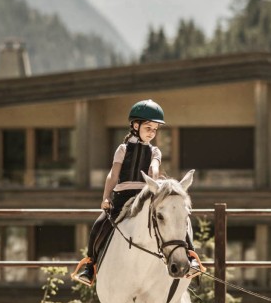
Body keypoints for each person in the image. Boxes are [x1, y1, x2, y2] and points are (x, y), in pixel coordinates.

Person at [72, 99, 199, 285]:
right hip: (122, 198)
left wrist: (154, 180)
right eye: (148, 128)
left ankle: (191, 257)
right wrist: (106, 197)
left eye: (155, 129)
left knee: (175, 220)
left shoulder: (155, 151)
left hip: (144, 195)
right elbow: (113, 175)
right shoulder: (122, 149)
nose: (152, 132)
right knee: (99, 225)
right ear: (135, 126)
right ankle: (90, 266)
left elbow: (154, 168)